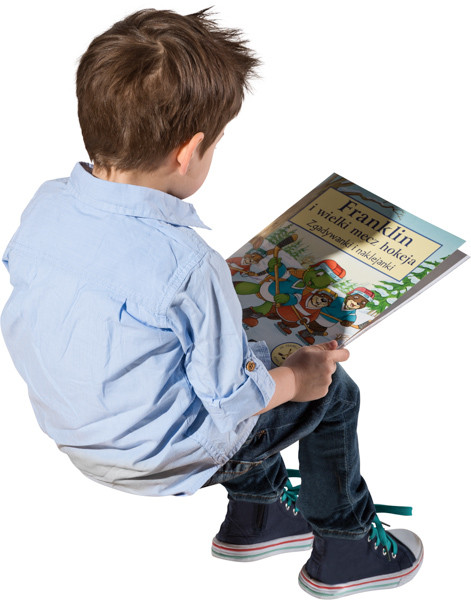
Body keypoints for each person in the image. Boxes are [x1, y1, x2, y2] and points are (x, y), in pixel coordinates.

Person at [0, 8, 423, 597]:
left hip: (78, 436)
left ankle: (258, 519)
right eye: (215, 144)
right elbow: (234, 399)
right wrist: (300, 380)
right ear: (188, 150)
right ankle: (347, 546)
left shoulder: (47, 205)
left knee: (245, 346)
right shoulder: (187, 264)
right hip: (159, 459)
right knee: (332, 390)